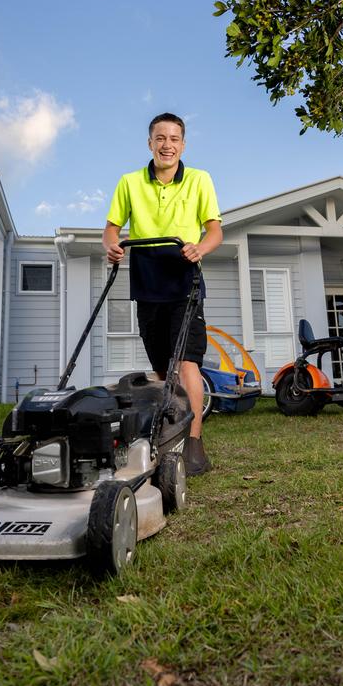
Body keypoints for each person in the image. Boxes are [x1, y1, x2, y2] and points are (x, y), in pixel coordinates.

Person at [102, 113, 223, 475]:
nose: (167, 144)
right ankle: (167, 428)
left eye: (174, 138)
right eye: (160, 138)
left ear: (183, 144)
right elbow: (111, 229)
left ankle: (194, 443)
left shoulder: (200, 180)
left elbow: (215, 230)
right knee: (160, 367)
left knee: (187, 363)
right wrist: (111, 247)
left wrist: (200, 248)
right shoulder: (129, 182)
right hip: (147, 282)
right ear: (150, 143)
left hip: (185, 281)